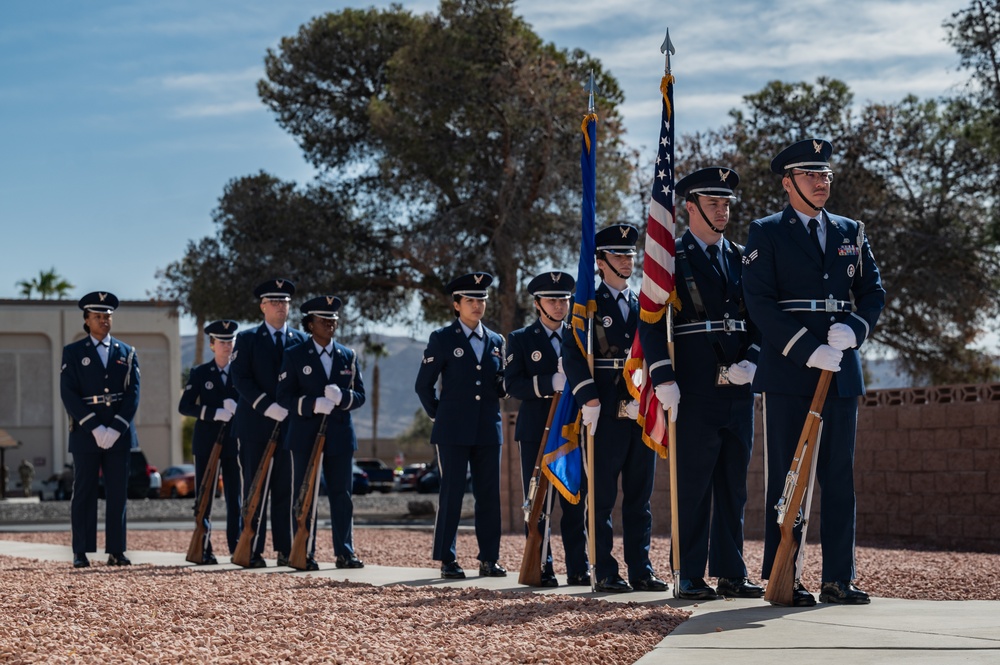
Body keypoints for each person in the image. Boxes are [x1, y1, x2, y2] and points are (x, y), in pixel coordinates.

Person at [743, 138, 885, 606]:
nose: (821, 183)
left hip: (841, 370)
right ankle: (786, 575)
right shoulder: (765, 232)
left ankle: (837, 578)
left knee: (838, 477)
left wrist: (856, 327)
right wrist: (806, 349)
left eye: (825, 175)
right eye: (810, 175)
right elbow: (759, 303)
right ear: (788, 183)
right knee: (788, 476)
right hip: (789, 370)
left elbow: (873, 291)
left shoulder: (851, 231)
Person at [638, 167, 764, 600]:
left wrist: (753, 356)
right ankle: (688, 572)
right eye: (713, 204)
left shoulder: (745, 258)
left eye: (727, 204)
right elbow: (651, 324)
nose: (723, 211)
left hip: (737, 389)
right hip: (691, 387)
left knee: (733, 485)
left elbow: (759, 320)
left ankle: (731, 571)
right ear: (689, 208)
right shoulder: (670, 258)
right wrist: (662, 376)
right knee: (692, 485)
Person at [563, 224, 667, 593]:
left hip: (640, 410)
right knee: (603, 496)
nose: (627, 261)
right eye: (619, 255)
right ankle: (604, 569)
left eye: (630, 255)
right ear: (600, 261)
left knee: (640, 497)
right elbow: (572, 353)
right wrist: (587, 396)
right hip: (604, 408)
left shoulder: (645, 304)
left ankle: (641, 568)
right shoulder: (588, 303)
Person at [414, 272, 507, 579]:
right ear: (456, 305)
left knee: (489, 496)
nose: (477, 305)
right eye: (470, 300)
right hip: (452, 430)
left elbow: (500, 381)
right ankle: (447, 559)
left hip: (487, 429)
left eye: (481, 299)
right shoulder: (442, 339)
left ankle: (489, 558)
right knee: (451, 494)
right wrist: (438, 416)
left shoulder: (496, 341)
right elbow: (423, 386)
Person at [505, 271, 589, 587]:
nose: (559, 305)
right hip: (536, 432)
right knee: (540, 502)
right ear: (538, 304)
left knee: (574, 502)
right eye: (552, 300)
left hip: (571, 431)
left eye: (564, 299)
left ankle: (579, 567)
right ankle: (542, 565)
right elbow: (511, 383)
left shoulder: (579, 334)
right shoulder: (522, 339)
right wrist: (546, 384)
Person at [276, 295, 366, 570]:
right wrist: (312, 404)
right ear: (310, 323)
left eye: (334, 320)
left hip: (339, 434)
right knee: (305, 494)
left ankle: (345, 552)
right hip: (305, 434)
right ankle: (304, 551)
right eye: (324, 320)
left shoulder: (347, 356)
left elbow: (360, 395)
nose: (330, 324)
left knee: (342, 496)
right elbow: (283, 397)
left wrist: (344, 397)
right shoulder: (294, 355)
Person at [230, 278, 309, 568]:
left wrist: (293, 408)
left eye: (285, 302)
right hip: (255, 425)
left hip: (290, 426)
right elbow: (240, 378)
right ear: (262, 306)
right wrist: (267, 406)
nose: (280, 307)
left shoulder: (301, 341)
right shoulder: (248, 339)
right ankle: (252, 548)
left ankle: (286, 550)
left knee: (285, 490)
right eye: (274, 302)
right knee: (254, 488)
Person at [59, 291, 140, 568]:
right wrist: (95, 427)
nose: (104, 320)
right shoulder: (73, 352)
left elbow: (133, 394)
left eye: (107, 316)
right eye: (98, 316)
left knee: (118, 492)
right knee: (84, 492)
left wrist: (116, 428)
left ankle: (116, 550)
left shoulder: (127, 353)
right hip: (85, 434)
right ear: (86, 320)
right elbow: (68, 394)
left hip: (119, 433)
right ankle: (81, 551)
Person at [178, 319, 243, 563]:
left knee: (235, 498)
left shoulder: (242, 372)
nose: (227, 345)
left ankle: (236, 546)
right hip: (207, 442)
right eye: (222, 341)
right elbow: (185, 406)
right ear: (212, 344)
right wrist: (213, 412)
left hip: (235, 443)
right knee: (205, 496)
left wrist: (240, 408)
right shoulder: (200, 373)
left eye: (231, 340)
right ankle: (204, 546)